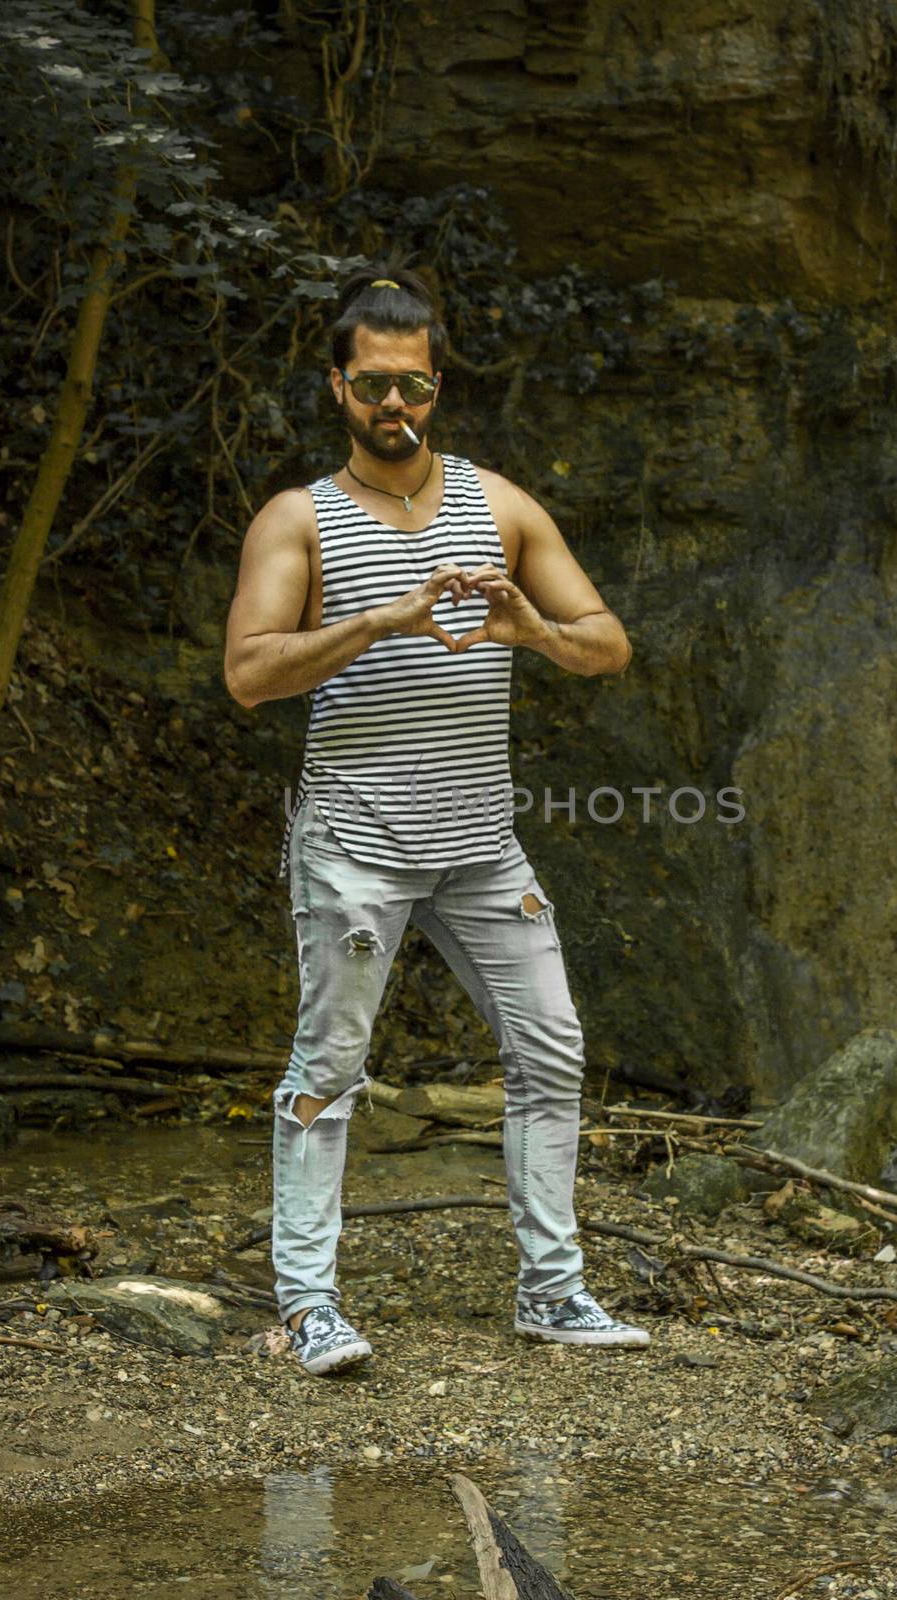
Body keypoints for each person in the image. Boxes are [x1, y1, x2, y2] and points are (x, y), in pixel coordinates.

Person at [224, 263, 650, 1375]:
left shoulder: (499, 504)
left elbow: (605, 643)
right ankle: (309, 1304)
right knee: (330, 1060)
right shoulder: (297, 517)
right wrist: (382, 617)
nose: (393, 408)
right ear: (336, 386)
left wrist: (530, 634)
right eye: (372, 387)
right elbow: (248, 673)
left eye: (410, 386)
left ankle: (552, 1293)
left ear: (436, 384)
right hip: (354, 845)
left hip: (478, 844)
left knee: (551, 1047)